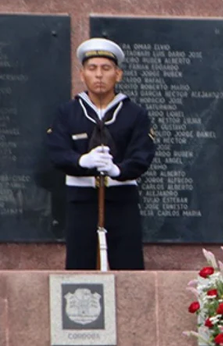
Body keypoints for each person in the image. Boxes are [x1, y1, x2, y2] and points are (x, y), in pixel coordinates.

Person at [46, 38, 156, 270]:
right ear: (82, 74)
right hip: (81, 199)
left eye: (106, 69)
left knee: (127, 267)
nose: (98, 75)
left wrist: (120, 170)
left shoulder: (134, 114)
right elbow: (56, 151)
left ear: (118, 74)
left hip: (121, 199)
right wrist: (81, 161)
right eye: (92, 68)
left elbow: (142, 153)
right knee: (80, 266)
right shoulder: (68, 113)